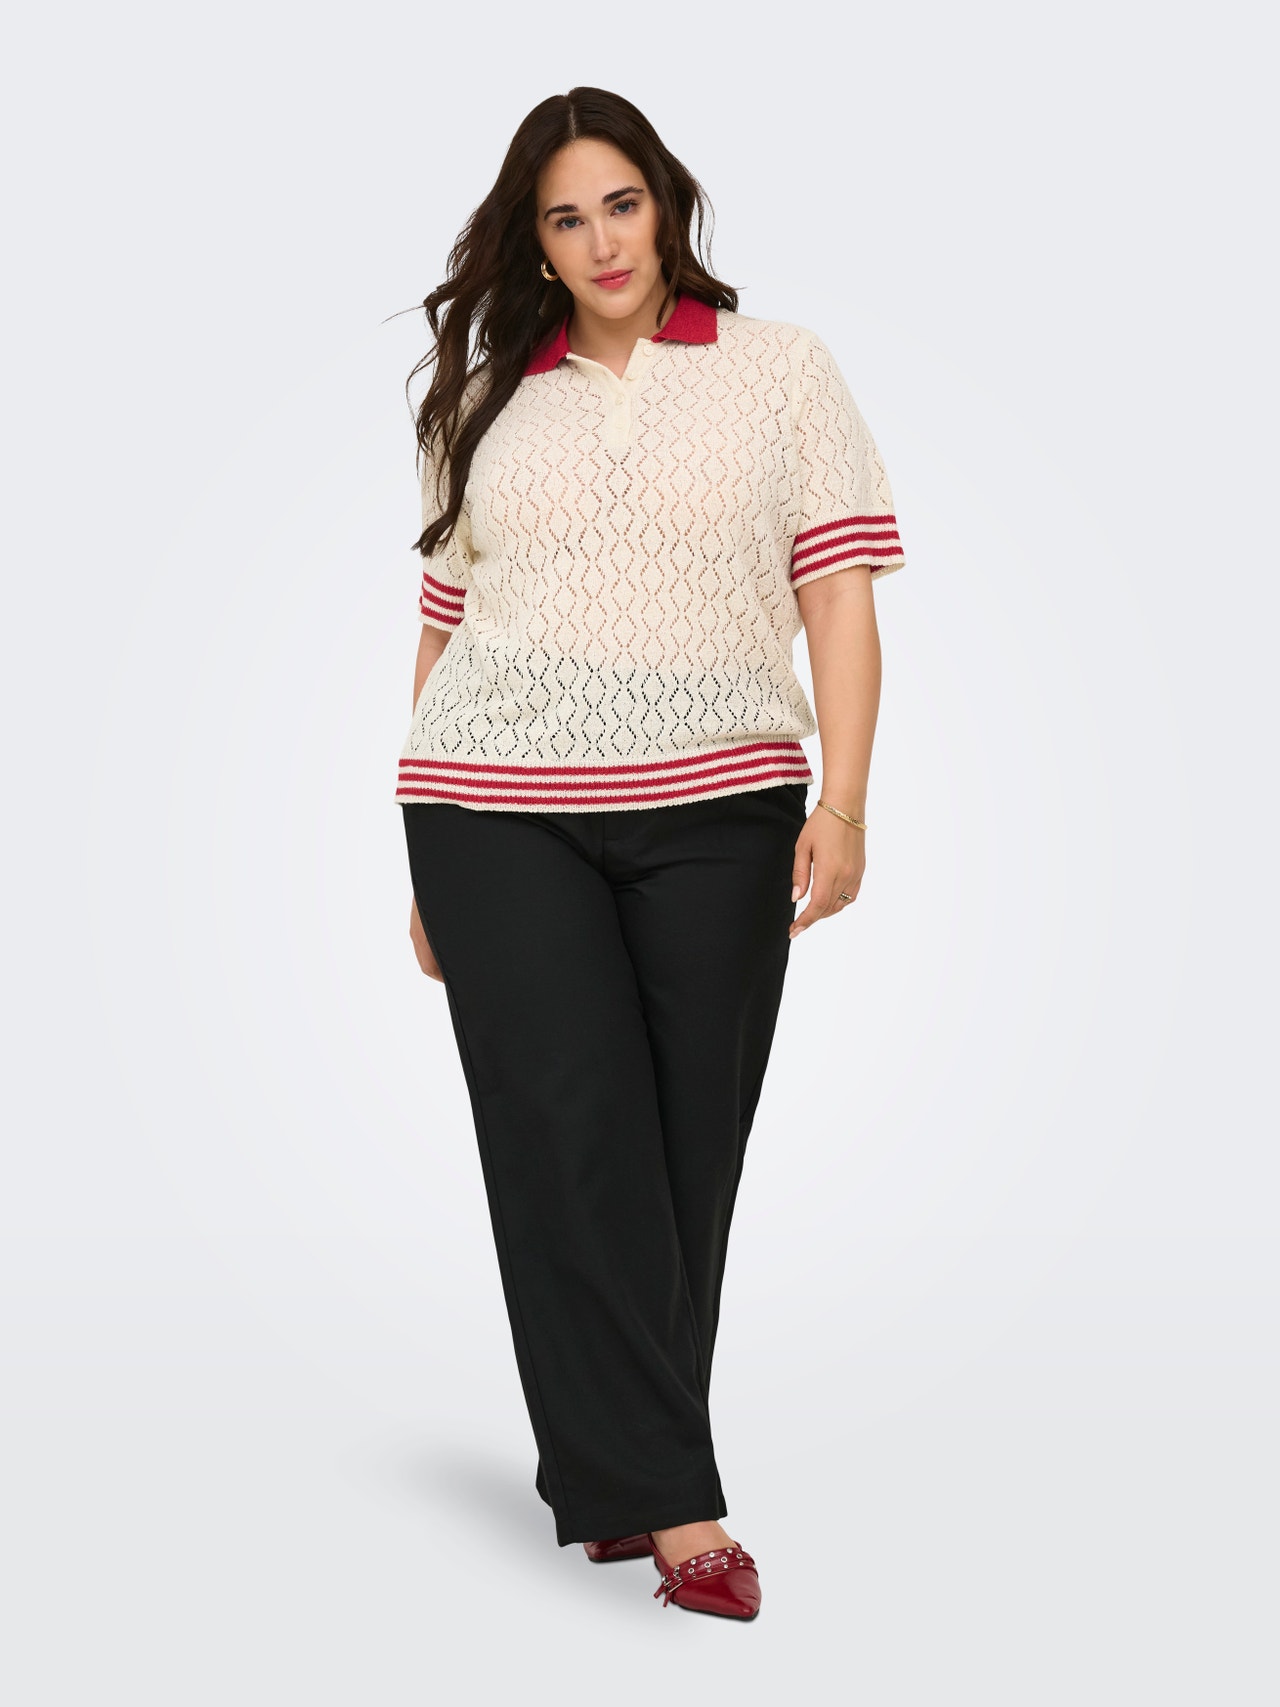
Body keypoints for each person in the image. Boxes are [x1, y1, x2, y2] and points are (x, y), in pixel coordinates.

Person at [396, 86, 906, 1622]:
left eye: (621, 203)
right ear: (535, 243)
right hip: (495, 809)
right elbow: (443, 623)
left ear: (666, 203)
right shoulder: (483, 400)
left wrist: (846, 803)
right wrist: (422, 864)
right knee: (567, 1138)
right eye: (566, 218)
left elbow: (838, 599)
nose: (602, 240)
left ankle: (616, 1471)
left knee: (687, 1154)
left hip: (724, 804)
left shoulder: (781, 369)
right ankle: (678, 1507)